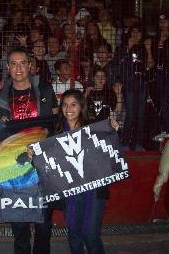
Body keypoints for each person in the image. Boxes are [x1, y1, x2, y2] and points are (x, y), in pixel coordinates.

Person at [0, 47, 58, 254]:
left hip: (42, 167)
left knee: (44, 224)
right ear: (8, 67)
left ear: (30, 65)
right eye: (14, 63)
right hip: (14, 169)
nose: (19, 68)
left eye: (23, 63)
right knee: (19, 226)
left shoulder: (44, 90)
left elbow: (55, 123)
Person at [53, 89, 119, 254]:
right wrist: (34, 153)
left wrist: (113, 131)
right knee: (74, 234)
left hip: (94, 191)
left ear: (81, 107)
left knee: (90, 235)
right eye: (65, 104)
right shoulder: (56, 132)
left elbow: (109, 152)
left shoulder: (94, 128)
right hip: (71, 192)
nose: (69, 108)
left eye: (73, 104)